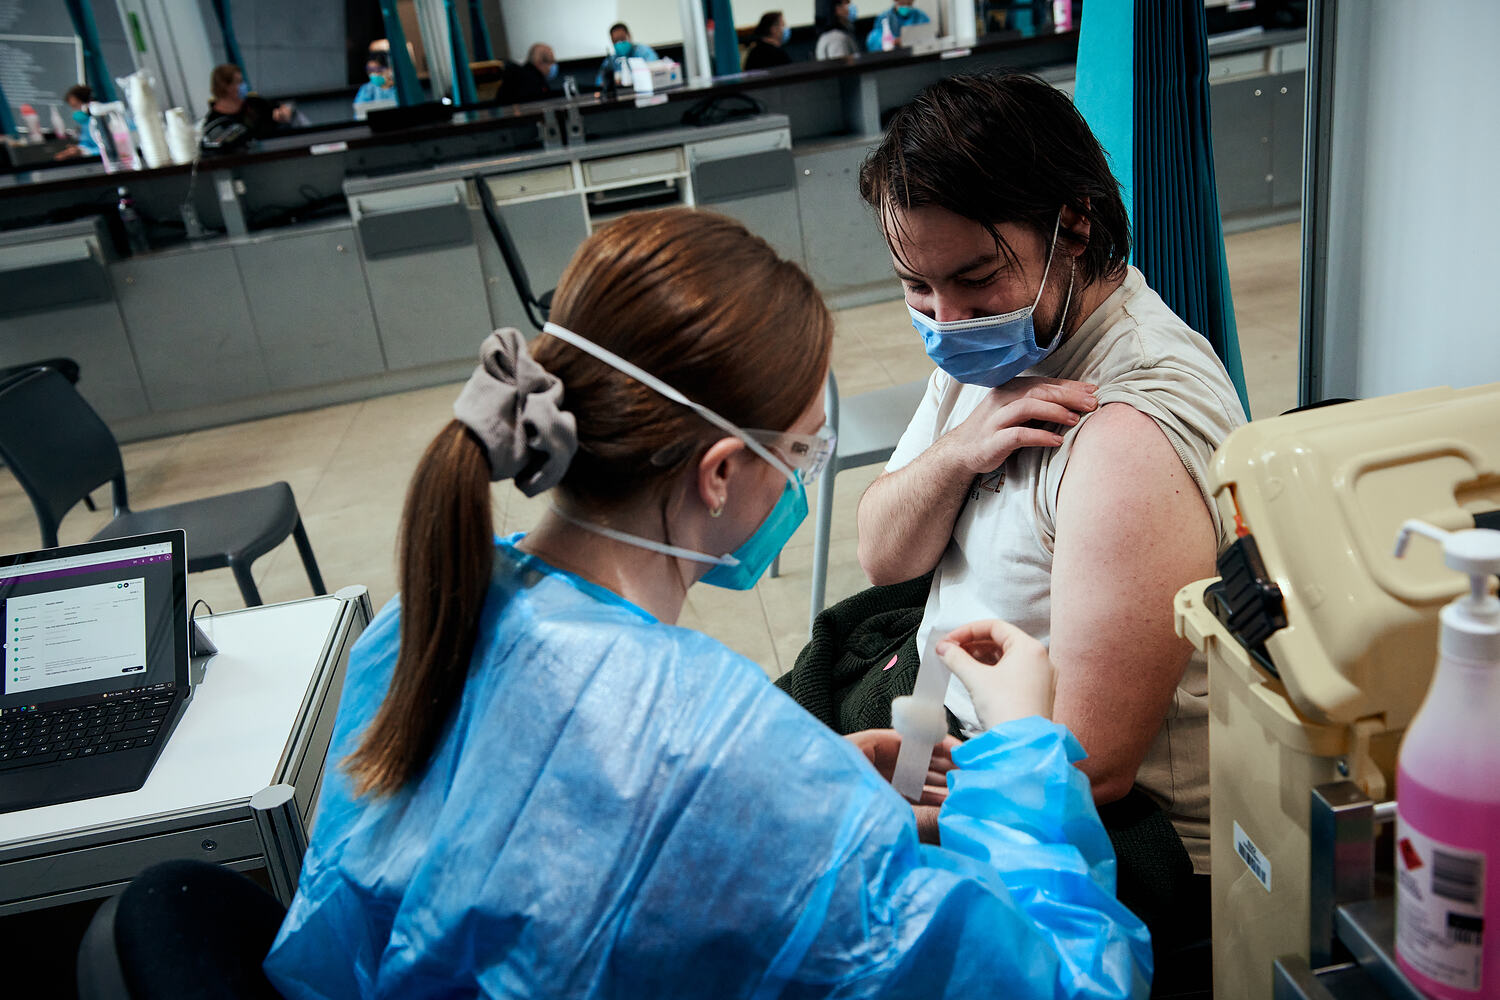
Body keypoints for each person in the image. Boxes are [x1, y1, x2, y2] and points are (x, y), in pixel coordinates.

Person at [262, 207, 1151, 999]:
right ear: (721, 473)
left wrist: (811, 788)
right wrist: (1026, 756)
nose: (802, 479)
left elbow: (521, 848)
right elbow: (1070, 985)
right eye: (801, 451)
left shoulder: (428, 611)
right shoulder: (713, 743)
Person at [849, 70, 1245, 919]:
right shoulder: (990, 348)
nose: (945, 320)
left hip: (1094, 827)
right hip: (942, 725)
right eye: (917, 286)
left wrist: (884, 800)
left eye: (976, 278)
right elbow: (883, 553)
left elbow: (1089, 765)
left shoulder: (1127, 432)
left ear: (1075, 226)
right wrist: (958, 453)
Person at [203, 63, 292, 141]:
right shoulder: (214, 122)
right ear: (227, 87)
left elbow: (282, 109)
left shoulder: (255, 103)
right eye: (239, 82)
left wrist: (284, 113)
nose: (244, 86)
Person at [595, 22, 658, 87]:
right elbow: (600, 81)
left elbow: (655, 70)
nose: (619, 43)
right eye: (615, 41)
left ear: (629, 36)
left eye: (622, 39)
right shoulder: (610, 60)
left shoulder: (643, 51)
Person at [52, 84, 99, 161]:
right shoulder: (85, 123)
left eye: (75, 106)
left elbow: (107, 149)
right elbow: (86, 143)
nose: (75, 111)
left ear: (88, 102)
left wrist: (84, 152)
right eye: (72, 107)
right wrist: (78, 149)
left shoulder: (99, 122)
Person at [864, 2, 930, 49]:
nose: (906, 6)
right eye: (903, 4)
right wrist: (893, 42)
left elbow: (929, 35)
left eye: (909, 4)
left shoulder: (920, 16)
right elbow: (873, 41)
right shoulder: (885, 17)